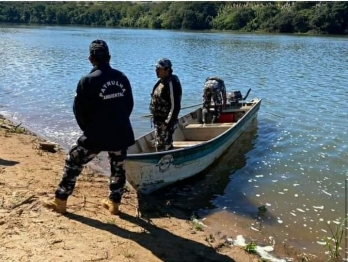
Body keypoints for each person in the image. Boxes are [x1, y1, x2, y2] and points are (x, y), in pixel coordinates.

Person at [43, 39, 135, 215]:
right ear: (109, 57)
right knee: (118, 166)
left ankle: (61, 200)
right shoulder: (122, 78)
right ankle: (114, 204)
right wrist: (117, 122)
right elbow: (129, 105)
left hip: (97, 135)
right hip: (120, 132)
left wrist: (90, 130)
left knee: (74, 160)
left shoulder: (87, 80)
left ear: (91, 59)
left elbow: (80, 112)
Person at [149, 58, 182, 151]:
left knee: (166, 147)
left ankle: (169, 163)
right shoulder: (161, 82)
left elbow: (175, 106)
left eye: (159, 69)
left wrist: (167, 123)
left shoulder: (171, 83)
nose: (156, 71)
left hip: (166, 122)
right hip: (158, 121)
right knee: (159, 145)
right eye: (156, 68)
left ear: (167, 69)